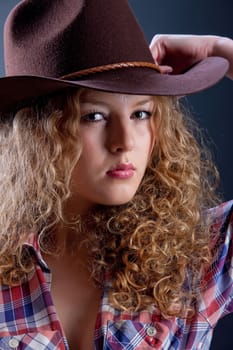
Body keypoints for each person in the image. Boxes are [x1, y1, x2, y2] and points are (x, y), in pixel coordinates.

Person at [0, 1, 232, 349]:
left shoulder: (197, 255)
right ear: (38, 137)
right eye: (94, 116)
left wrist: (221, 50)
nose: (125, 142)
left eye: (141, 114)